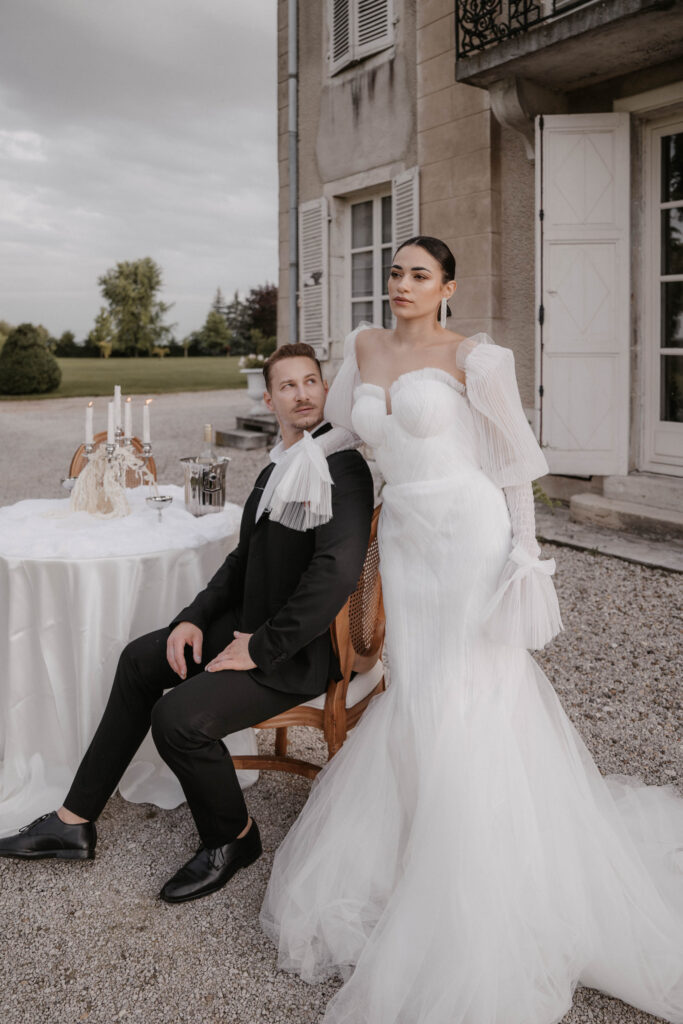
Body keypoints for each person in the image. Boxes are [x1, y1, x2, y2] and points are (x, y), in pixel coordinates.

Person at [261, 238, 683, 1024]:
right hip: (408, 541)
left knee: (473, 690)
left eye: (418, 274)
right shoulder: (362, 345)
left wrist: (525, 556)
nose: (400, 284)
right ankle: (413, 847)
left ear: (446, 287)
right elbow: (350, 433)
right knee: (417, 686)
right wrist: (295, 457)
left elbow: (511, 462)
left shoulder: (478, 358)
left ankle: (481, 867)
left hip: (468, 535)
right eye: (393, 272)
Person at [0, 343, 374, 905]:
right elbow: (242, 560)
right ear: (269, 398)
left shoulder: (341, 462)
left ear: (326, 389)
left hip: (295, 651)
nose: (303, 394)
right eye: (288, 386)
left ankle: (234, 838)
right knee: (139, 660)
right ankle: (73, 821)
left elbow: (335, 573)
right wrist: (191, 619)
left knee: (176, 719)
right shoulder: (281, 463)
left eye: (311, 382)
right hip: (248, 631)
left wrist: (261, 647)